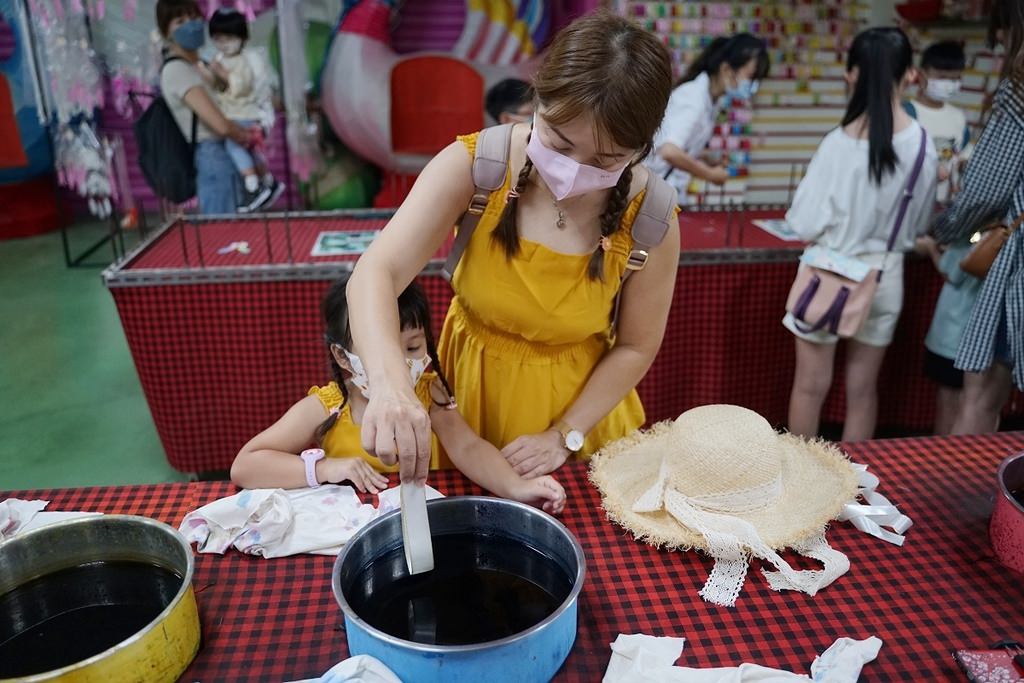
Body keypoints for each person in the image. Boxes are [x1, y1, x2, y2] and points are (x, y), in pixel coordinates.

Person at [346, 11, 678, 484]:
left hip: (582, 420)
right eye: (559, 144)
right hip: (469, 401)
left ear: (640, 149)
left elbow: (636, 345)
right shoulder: (477, 166)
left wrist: (564, 435)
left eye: (606, 161)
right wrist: (390, 384)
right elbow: (376, 271)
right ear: (535, 99)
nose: (574, 172)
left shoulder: (651, 214)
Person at [231, 276, 566, 514]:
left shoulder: (427, 392)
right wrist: (325, 469)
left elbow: (468, 446)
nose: (400, 365)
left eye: (413, 346)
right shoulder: (327, 406)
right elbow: (246, 466)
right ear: (343, 357)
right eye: (383, 348)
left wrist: (516, 487)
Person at [784, 27, 937, 441]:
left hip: (827, 276)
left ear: (852, 74)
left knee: (810, 388)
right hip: (884, 278)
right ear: (909, 76)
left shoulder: (837, 142)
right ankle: (857, 490)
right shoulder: (922, 143)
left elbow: (803, 223)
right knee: (863, 391)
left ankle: (804, 482)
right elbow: (919, 222)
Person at [932, 0, 1024, 434]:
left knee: (981, 395)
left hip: (1015, 270)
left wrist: (945, 230)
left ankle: (962, 498)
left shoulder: (1019, 89)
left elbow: (985, 190)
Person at [644, 33, 769, 206]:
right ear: (726, 69)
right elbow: (669, 151)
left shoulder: (710, 100)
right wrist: (709, 174)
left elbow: (668, 143)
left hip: (663, 192)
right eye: (750, 77)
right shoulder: (695, 99)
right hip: (654, 195)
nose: (753, 86)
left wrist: (703, 156)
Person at [155, 0, 251, 214]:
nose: (191, 24)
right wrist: (249, 135)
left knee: (242, 232)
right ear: (166, 31)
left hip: (229, 150)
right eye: (180, 21)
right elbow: (221, 126)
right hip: (214, 155)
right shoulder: (177, 70)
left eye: (194, 17)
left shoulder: (203, 65)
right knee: (224, 233)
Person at [204, 8, 283, 213]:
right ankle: (268, 182)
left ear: (242, 37)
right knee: (251, 151)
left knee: (236, 147)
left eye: (229, 38)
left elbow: (243, 87)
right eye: (218, 39)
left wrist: (224, 75)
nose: (224, 44)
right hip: (232, 114)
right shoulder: (219, 59)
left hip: (245, 115)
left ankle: (253, 187)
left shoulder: (247, 59)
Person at [905, 40, 973, 203]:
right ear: (921, 75)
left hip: (946, 204)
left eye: (955, 79)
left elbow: (963, 154)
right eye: (942, 77)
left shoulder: (958, 117)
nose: (948, 84)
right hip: (911, 204)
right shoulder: (906, 113)